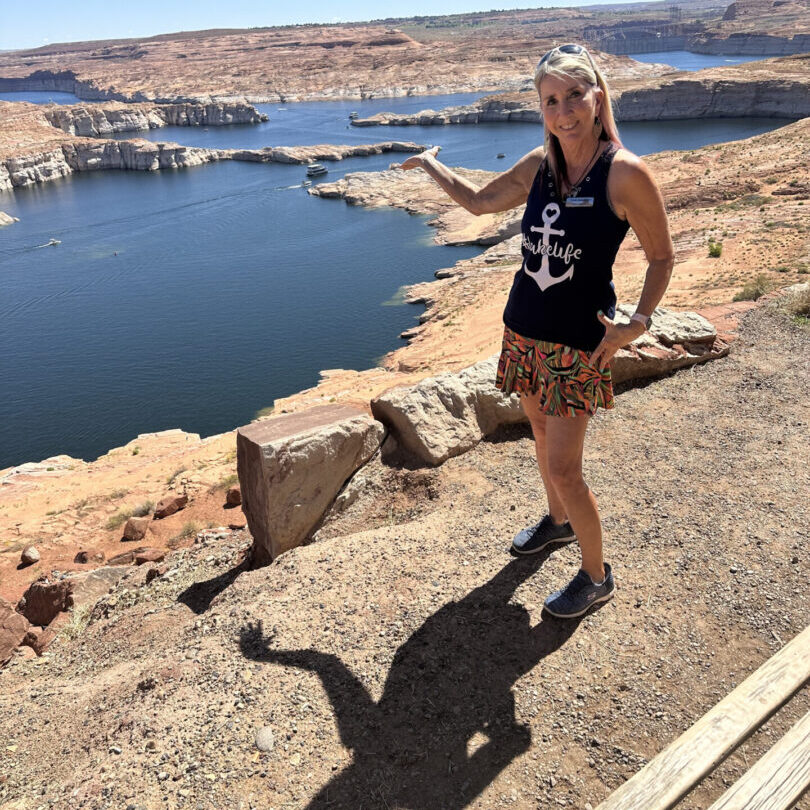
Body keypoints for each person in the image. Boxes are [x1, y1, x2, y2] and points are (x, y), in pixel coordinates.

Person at [400, 43, 674, 619]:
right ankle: (556, 526)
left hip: (580, 344)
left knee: (564, 468)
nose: (565, 110)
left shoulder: (625, 174)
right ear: (542, 108)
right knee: (542, 437)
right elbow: (477, 204)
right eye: (551, 100)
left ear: (597, 96)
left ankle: (596, 577)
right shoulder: (541, 166)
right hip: (525, 330)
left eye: (575, 94)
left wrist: (638, 323)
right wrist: (431, 164)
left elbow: (661, 257)